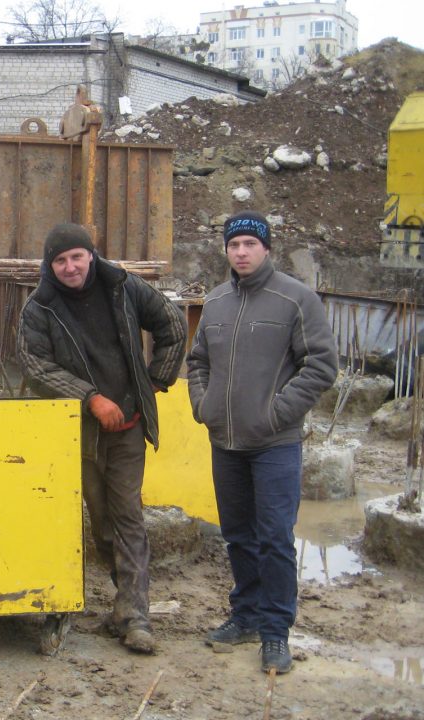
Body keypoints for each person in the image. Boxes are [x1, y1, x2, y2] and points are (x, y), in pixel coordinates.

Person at [18, 222, 187, 655]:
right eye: (60, 260)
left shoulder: (123, 287)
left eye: (77, 256)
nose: (70, 267)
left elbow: (171, 322)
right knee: (102, 523)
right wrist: (90, 398)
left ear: (91, 255)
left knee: (128, 514)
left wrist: (155, 381)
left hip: (128, 427)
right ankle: (121, 602)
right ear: (49, 265)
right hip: (80, 432)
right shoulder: (41, 307)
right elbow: (36, 367)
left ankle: (134, 616)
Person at [188, 210, 337, 674]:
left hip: (275, 444)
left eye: (250, 244)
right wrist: (204, 406)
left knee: (274, 538)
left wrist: (276, 414)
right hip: (225, 443)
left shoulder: (296, 299)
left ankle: (275, 632)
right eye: (234, 245)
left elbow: (320, 365)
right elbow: (198, 363)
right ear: (226, 250)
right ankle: (246, 615)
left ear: (266, 248)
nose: (241, 252)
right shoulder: (214, 302)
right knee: (237, 535)